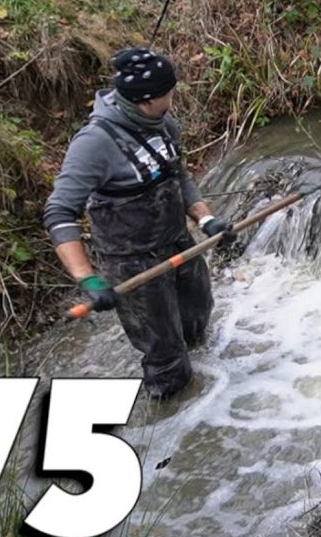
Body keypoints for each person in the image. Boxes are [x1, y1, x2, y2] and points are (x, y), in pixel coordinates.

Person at [43, 47, 236, 399]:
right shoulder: (94, 144)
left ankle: (211, 392)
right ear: (147, 100)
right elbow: (59, 213)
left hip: (177, 241)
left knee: (197, 317)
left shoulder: (164, 125)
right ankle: (170, 421)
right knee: (165, 352)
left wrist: (206, 219)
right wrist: (88, 278)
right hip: (132, 261)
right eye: (168, 93)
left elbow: (179, 176)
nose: (173, 98)